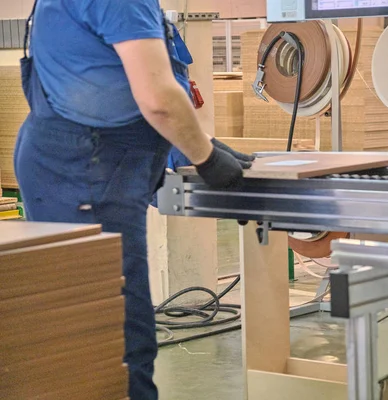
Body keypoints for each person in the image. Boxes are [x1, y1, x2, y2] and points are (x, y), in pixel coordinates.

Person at [13, 1, 254, 399]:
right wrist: (206, 160)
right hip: (85, 169)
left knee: (89, 323)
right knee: (116, 331)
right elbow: (157, 97)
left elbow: (109, 79)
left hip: (79, 157)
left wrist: (192, 142)